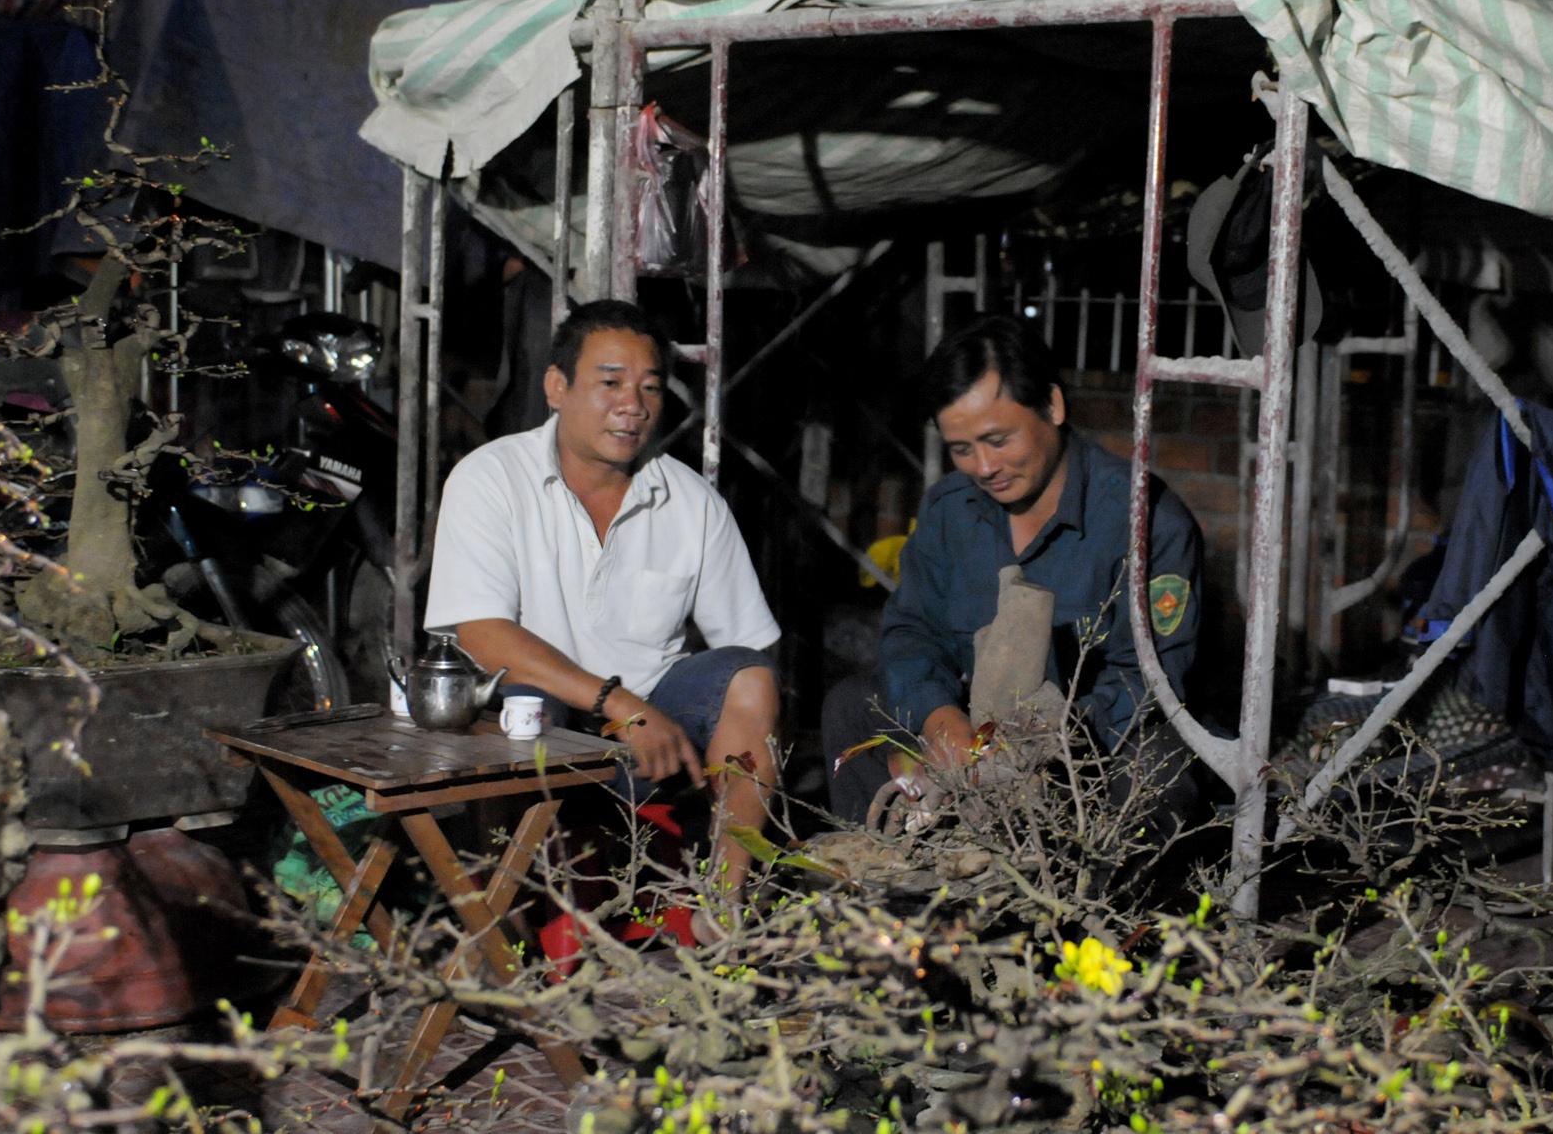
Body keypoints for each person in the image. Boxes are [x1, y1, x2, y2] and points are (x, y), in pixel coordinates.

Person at [425, 299, 782, 889]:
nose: (633, 407)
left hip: (655, 741)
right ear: (556, 387)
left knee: (752, 678)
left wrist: (653, 716)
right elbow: (481, 634)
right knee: (527, 699)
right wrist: (620, 704)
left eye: (650, 388)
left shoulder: (690, 502)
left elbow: (749, 655)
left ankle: (727, 901)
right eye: (610, 382)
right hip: (538, 731)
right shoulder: (491, 477)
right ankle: (511, 906)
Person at [823, 314, 1204, 827]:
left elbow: (1152, 677)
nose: (983, 467)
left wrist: (1044, 743)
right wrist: (940, 721)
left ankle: (1082, 901)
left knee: (1157, 767)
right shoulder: (948, 512)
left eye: (998, 440)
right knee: (852, 707)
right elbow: (911, 632)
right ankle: (895, 886)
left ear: (1052, 405)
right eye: (962, 449)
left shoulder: (1146, 519)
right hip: (966, 738)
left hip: (1086, 749)